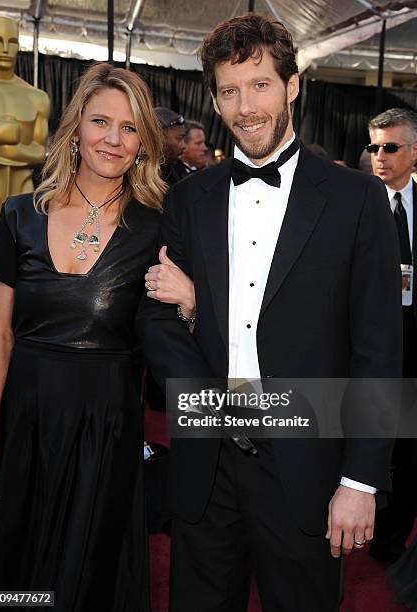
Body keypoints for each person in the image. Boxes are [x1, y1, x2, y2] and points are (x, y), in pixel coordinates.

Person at [138, 13, 402, 612]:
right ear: (213, 98)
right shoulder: (189, 198)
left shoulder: (357, 201)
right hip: (208, 465)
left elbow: (379, 348)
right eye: (229, 91)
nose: (246, 106)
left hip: (306, 464)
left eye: (260, 85)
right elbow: (155, 320)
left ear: (292, 86)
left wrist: (361, 480)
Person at [0, 62, 166, 611]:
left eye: (130, 127)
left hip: (106, 428)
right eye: (101, 122)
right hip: (26, 419)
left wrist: (191, 297)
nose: (113, 139)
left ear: (144, 143)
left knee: (87, 568)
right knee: (19, 563)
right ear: (75, 129)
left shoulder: (160, 228)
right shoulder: (18, 216)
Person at [366, 108, 417, 565]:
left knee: (408, 448)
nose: (379, 156)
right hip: (366, 348)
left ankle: (389, 538)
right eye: (374, 147)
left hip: (414, 345)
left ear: (415, 152)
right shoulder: (354, 203)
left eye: (391, 147)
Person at [0, 14, 49, 315]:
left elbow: (39, 152)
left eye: (12, 41)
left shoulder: (35, 97)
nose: (5, 48)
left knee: (19, 266)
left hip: (22, 190)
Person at [154, 107, 186, 186]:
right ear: (159, 137)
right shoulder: (135, 176)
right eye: (179, 139)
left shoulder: (177, 170)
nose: (184, 145)